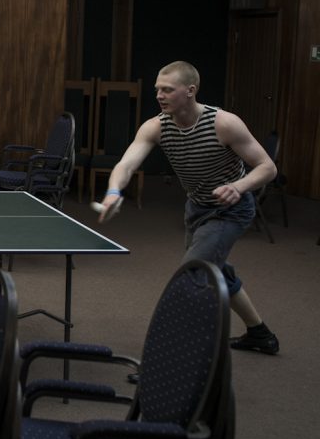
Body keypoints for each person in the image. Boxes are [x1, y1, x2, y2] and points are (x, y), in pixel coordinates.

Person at [97, 60, 279, 355]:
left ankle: (166, 357)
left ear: (190, 91)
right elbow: (127, 163)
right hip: (196, 208)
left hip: (230, 209)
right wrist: (114, 190)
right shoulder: (156, 126)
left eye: (167, 89)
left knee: (190, 275)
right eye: (158, 89)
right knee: (215, 270)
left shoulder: (224, 123)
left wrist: (238, 187)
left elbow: (267, 168)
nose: (159, 95)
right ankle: (260, 333)